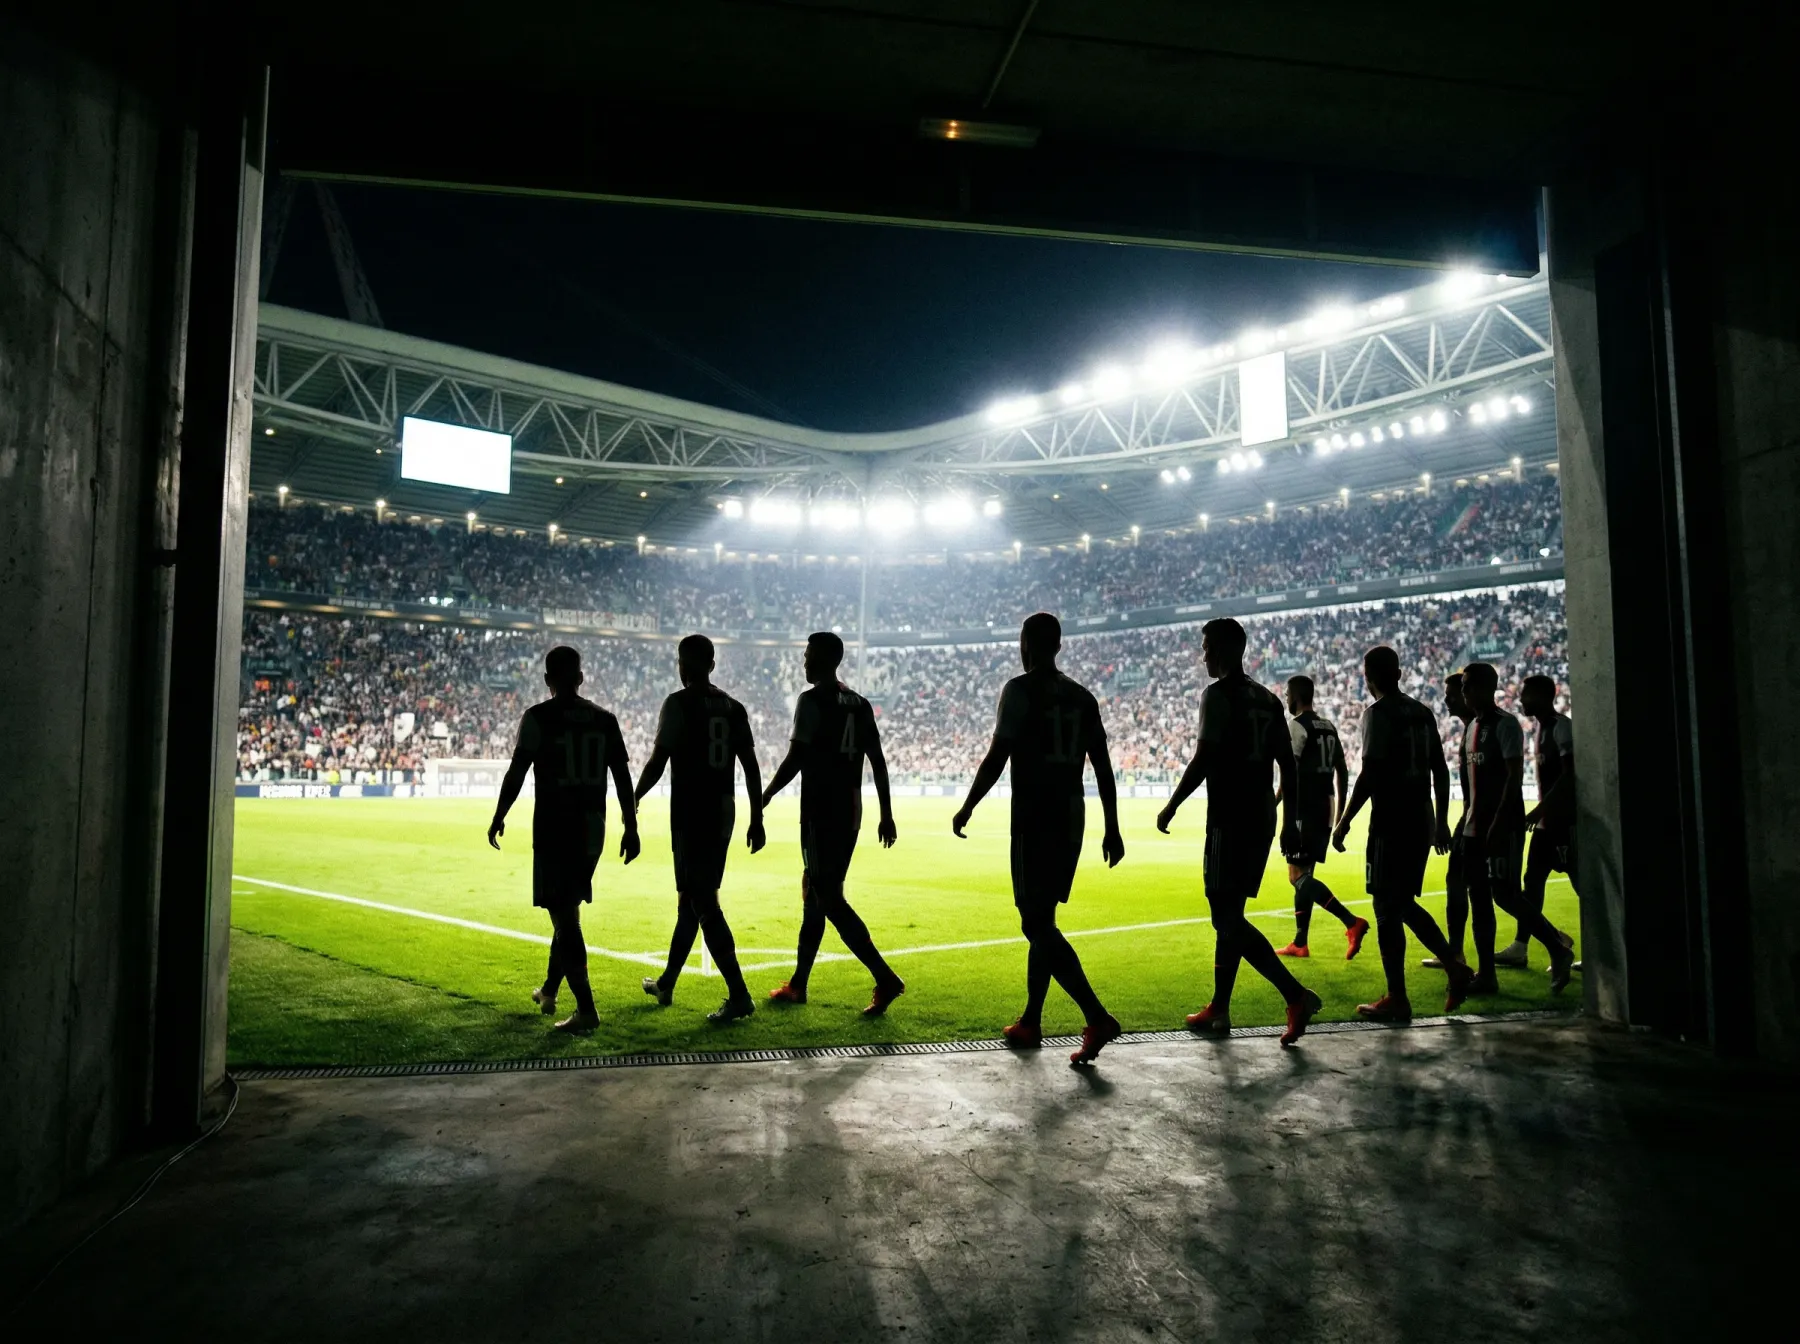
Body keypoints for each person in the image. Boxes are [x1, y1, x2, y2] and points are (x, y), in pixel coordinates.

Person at [954, 612, 1125, 1065]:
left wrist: (968, 804)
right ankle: (1031, 1020)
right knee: (1043, 919)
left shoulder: (1020, 690)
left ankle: (1096, 1015)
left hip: (1035, 815)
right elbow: (1103, 767)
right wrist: (1112, 825)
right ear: (1060, 645)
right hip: (1073, 815)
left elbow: (997, 756)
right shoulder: (1082, 697)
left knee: (1035, 923)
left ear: (1027, 643)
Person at [1158, 618, 1322, 1047]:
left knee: (1225, 917)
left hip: (1229, 818)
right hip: (1262, 817)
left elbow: (1204, 758)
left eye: (1209, 646)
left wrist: (1172, 805)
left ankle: (1295, 995)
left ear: (1230, 649)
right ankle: (1220, 1008)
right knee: (1231, 915)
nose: (1204, 654)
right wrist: (1286, 822)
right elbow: (1287, 763)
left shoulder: (1217, 695)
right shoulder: (1269, 701)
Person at [488, 645, 639, 1033]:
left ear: (547, 680)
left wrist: (499, 815)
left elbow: (517, 772)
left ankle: (587, 1009)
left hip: (556, 828)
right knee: (567, 909)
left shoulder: (538, 717)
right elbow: (623, 778)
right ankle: (550, 991)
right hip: (593, 829)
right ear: (581, 677)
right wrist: (630, 825)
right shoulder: (604, 719)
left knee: (566, 919)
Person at [761, 632, 905, 1016]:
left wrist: (768, 792)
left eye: (808, 656)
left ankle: (885, 977)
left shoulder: (811, 701)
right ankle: (798, 984)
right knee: (816, 893)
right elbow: (878, 759)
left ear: (825, 659)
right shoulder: (859, 703)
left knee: (829, 898)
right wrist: (886, 812)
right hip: (851, 811)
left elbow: (796, 758)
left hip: (820, 811)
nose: (804, 663)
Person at [1331, 645, 1473, 1021]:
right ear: (1398, 672)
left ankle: (1399, 996)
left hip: (1390, 821)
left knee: (1385, 907)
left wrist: (1344, 819)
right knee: (1402, 902)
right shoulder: (1422, 713)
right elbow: (1440, 769)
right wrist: (1440, 819)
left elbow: (1371, 772)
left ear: (1368, 676)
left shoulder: (1377, 715)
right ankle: (1452, 965)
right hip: (1420, 819)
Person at [631, 635, 764, 1023]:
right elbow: (751, 766)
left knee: (704, 901)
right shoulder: (733, 707)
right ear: (713, 663)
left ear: (684, 666)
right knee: (690, 898)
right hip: (724, 808)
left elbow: (659, 760)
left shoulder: (679, 703)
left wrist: (633, 797)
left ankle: (739, 995)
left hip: (693, 811)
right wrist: (757, 817)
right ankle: (668, 982)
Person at [1459, 662, 1577, 996]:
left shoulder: (1506, 725)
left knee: (1506, 894)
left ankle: (1556, 945)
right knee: (1479, 899)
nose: (1464, 691)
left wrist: (1498, 823)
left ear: (1485, 687)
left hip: (1501, 827)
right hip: (1473, 829)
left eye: (1468, 685)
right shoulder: (1471, 728)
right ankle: (1487, 975)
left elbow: (1512, 777)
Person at [1274, 674, 1369, 961]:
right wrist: (1339, 816)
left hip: (1305, 807)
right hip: (1325, 807)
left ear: (1297, 695)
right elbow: (1342, 770)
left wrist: (1276, 805)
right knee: (1307, 873)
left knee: (1296, 876)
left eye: (1288, 694)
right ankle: (1300, 943)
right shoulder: (1328, 727)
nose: (1286, 699)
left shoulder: (1297, 726)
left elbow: (1289, 774)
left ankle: (1351, 921)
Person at [1520, 673, 1581, 974]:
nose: (1521, 699)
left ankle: (1600, 948)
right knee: (1530, 884)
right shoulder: (1541, 729)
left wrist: (1539, 809)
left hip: (1564, 824)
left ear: (1545, 696)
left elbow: (1569, 777)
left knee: (1584, 885)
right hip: (1546, 823)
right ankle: (1523, 945)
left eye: (1526, 694)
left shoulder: (1561, 727)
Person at [1421, 672, 1474, 970]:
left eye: (1454, 693)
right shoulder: (1469, 730)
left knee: (1499, 892)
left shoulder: (1482, 728)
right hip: (1469, 820)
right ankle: (1456, 953)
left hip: (1482, 823)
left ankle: (1554, 941)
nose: (1447, 700)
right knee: (1460, 884)